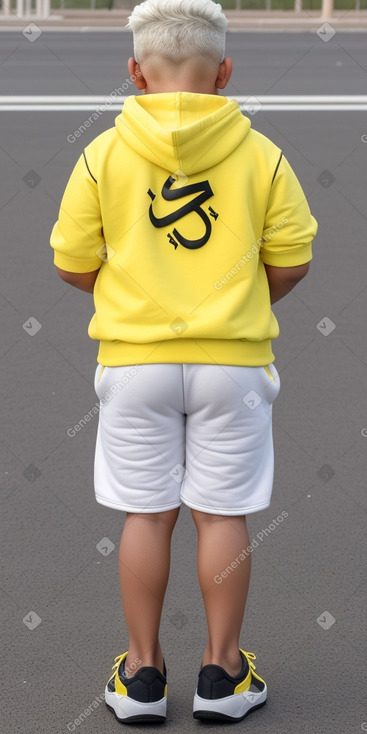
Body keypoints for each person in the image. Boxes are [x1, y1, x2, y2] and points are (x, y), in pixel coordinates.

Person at [50, 0, 317, 725]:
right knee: (220, 513)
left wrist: (135, 295)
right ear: (225, 71)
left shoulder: (101, 153)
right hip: (232, 365)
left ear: (134, 72)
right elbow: (290, 260)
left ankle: (140, 677)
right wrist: (230, 305)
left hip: (135, 364)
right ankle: (222, 674)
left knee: (147, 513)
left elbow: (72, 263)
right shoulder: (262, 154)